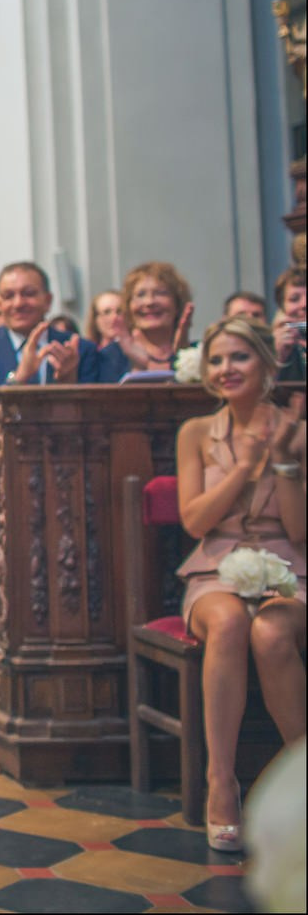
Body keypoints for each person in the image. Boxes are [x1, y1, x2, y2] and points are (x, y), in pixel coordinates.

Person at [174, 317, 305, 853]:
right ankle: (221, 783)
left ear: (267, 365)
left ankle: (297, 775)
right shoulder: (197, 433)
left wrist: (284, 463)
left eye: (240, 357)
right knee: (228, 622)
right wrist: (242, 468)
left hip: (291, 565)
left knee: (271, 635)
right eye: (217, 360)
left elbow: (300, 532)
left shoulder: (297, 429)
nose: (227, 369)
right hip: (214, 567)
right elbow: (195, 521)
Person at [0, 262, 112, 525]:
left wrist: (67, 384)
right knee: (15, 515)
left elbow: (96, 424)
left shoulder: (78, 349)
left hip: (68, 466)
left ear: (47, 301)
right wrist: (18, 379)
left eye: (28, 293)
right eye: (9, 295)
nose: (19, 303)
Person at [114, 260, 194, 373]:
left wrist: (183, 356)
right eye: (140, 295)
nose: (149, 302)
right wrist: (138, 366)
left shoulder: (200, 354)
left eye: (161, 293)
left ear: (177, 303)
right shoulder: (111, 356)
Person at [272, 266, 305, 384]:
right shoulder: (268, 346)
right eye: (294, 299)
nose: (304, 304)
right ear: (282, 308)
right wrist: (277, 355)